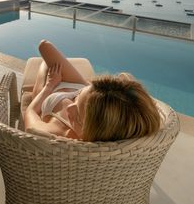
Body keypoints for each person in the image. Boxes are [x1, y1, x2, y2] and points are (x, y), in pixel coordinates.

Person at [24, 40, 161, 141]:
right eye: (77, 101)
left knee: (44, 62)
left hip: (48, 94)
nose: (69, 107)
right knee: (45, 46)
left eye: (77, 117)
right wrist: (82, 93)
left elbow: (30, 112)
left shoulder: (56, 133)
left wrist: (50, 85)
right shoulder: (106, 112)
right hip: (79, 87)